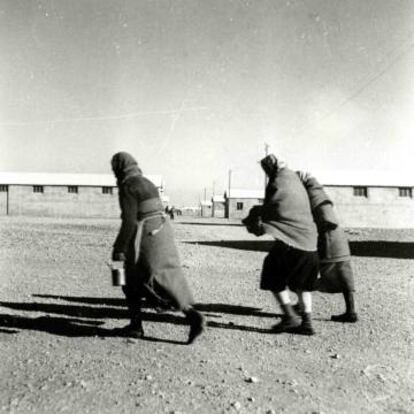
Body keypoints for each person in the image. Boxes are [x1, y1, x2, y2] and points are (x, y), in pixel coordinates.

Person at [111, 152, 205, 343]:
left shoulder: (128, 186)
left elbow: (129, 221)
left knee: (130, 280)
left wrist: (119, 248)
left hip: (144, 235)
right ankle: (191, 314)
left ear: (119, 168)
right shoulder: (147, 182)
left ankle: (136, 326)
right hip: (161, 232)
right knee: (165, 276)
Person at [243, 154, 319, 335]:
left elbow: (274, 208)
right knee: (303, 285)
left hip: (291, 242)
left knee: (272, 274)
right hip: (310, 243)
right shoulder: (294, 178)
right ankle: (307, 322)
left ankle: (290, 316)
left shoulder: (277, 181)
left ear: (271, 168)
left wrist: (258, 220)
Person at [297, 171, 358, 322]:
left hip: (329, 241)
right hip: (339, 241)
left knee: (310, 274)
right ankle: (351, 312)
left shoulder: (313, 195)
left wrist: (315, 233)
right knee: (344, 276)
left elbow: (327, 220)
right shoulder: (318, 192)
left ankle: (300, 306)